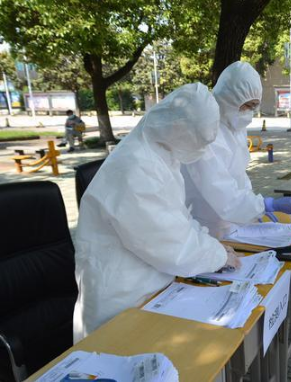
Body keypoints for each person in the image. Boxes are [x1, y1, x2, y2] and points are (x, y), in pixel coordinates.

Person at [73, 83, 242, 341]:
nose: (203, 150)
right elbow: (171, 244)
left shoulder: (161, 154)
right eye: (199, 141)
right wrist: (218, 256)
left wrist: (212, 245)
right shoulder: (136, 168)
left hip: (150, 288)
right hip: (122, 300)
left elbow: (179, 218)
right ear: (180, 130)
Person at [181, 62, 291, 239]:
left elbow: (239, 177)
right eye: (247, 105)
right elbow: (221, 191)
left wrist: (255, 209)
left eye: (254, 106)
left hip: (230, 222)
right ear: (228, 99)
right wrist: (266, 205)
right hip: (201, 223)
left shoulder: (235, 126)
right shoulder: (205, 131)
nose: (249, 112)